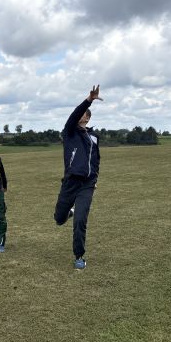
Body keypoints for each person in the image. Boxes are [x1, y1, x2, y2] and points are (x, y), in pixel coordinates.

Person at [54, 85, 103, 269]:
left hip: (87, 184)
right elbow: (74, 115)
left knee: (81, 219)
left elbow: (96, 159)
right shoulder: (69, 132)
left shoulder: (94, 137)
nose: (81, 115)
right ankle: (68, 212)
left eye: (85, 113)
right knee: (59, 219)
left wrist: (95, 178)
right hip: (70, 182)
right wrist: (89, 100)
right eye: (80, 112)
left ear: (88, 118)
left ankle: (79, 256)